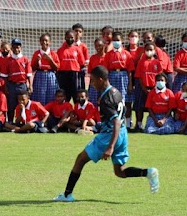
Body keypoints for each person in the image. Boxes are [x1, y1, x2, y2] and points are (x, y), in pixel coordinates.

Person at [53, 65, 159, 202]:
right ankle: (148, 172)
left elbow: (116, 122)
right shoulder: (116, 91)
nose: (91, 83)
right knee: (119, 172)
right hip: (122, 134)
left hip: (110, 135)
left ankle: (67, 195)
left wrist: (110, 147)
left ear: (101, 80)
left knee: (80, 159)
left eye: (93, 80)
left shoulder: (106, 98)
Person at [102, 31, 135, 128]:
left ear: (122, 41)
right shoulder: (108, 54)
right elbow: (106, 70)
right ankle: (113, 122)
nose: (116, 42)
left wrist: (130, 84)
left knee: (126, 101)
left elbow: (130, 71)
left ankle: (128, 123)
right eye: (114, 40)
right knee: (112, 100)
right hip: (112, 75)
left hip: (123, 76)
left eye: (118, 40)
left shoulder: (126, 54)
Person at [133, 41, 163, 133]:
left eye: (151, 50)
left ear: (154, 51)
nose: (149, 51)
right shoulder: (141, 62)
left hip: (154, 88)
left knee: (153, 107)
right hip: (143, 88)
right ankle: (138, 124)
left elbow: (160, 76)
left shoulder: (157, 62)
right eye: (147, 50)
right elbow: (139, 77)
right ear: (144, 51)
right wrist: (144, 88)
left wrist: (155, 88)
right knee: (140, 107)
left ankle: (154, 123)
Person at [6, 38, 32, 122]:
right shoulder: (9, 60)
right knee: (11, 105)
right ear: (11, 48)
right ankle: (10, 122)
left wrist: (30, 85)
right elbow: (5, 76)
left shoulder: (25, 59)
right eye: (14, 47)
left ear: (21, 48)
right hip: (12, 85)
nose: (16, 49)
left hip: (22, 85)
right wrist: (6, 87)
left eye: (18, 47)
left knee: (22, 104)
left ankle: (23, 122)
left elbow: (29, 74)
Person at [31, 33, 60, 105]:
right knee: (39, 95)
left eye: (46, 41)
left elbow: (56, 68)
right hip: (40, 75)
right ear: (40, 42)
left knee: (51, 95)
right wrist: (37, 61)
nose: (44, 42)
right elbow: (33, 68)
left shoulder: (53, 53)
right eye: (42, 40)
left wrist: (50, 60)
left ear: (50, 42)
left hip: (50, 75)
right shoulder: (36, 53)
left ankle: (50, 113)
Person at [57, 30, 84, 103]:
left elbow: (82, 63)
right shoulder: (60, 50)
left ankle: (77, 112)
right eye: (68, 37)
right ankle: (65, 112)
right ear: (65, 38)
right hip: (63, 74)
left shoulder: (78, 49)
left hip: (74, 74)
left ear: (75, 38)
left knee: (76, 94)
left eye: (71, 37)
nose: (70, 39)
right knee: (65, 95)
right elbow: (57, 63)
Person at [87, 37, 106, 105]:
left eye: (100, 45)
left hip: (104, 84)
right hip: (94, 85)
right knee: (93, 103)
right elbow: (90, 73)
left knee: (104, 103)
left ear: (104, 45)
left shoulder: (107, 57)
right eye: (96, 46)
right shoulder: (92, 58)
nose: (97, 47)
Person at [72, 23, 90, 91]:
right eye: (76, 31)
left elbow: (87, 61)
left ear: (82, 34)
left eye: (80, 31)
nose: (77, 33)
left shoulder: (83, 46)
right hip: (70, 71)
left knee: (80, 88)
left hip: (80, 71)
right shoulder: (67, 45)